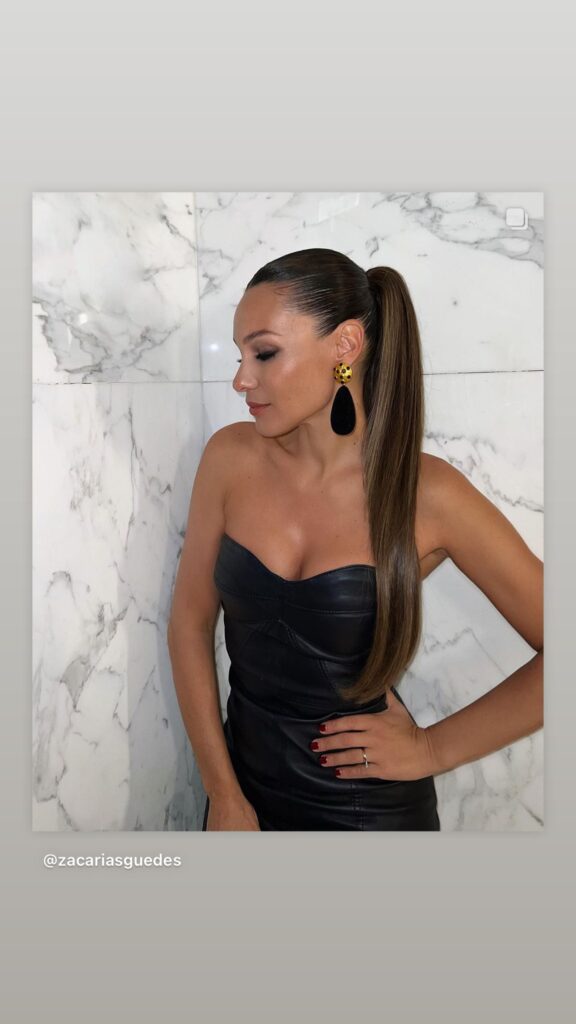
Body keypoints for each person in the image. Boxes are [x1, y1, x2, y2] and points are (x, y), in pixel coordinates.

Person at [167, 248, 543, 831]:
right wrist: (223, 794)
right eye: (240, 354)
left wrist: (430, 749)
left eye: (264, 352)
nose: (241, 378)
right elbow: (189, 623)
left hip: (368, 815)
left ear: (345, 345)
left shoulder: (427, 493)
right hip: (240, 795)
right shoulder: (230, 458)